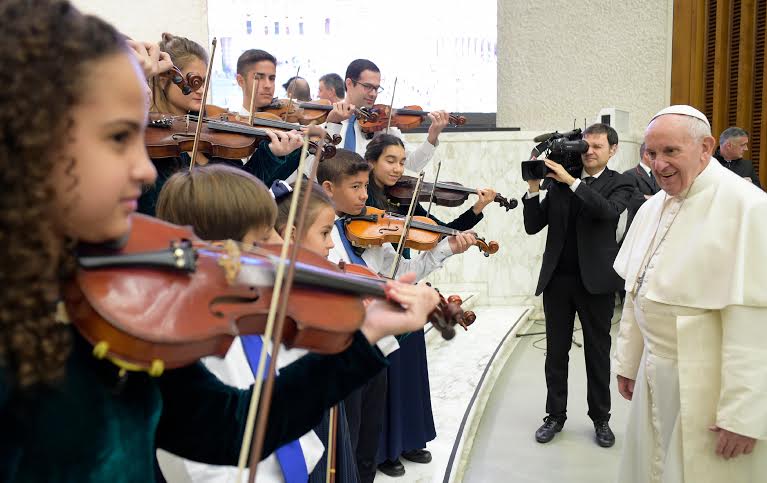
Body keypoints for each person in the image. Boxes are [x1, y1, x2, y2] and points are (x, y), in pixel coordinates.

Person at [0, 1, 443, 480]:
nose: (145, 169)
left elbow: (228, 426)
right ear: (31, 144)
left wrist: (364, 337)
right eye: (117, 139)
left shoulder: (123, 294)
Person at [613, 105, 767, 482]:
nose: (658, 165)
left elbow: (754, 327)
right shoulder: (653, 207)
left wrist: (743, 415)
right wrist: (628, 362)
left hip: (707, 385)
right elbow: (635, 293)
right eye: (651, 153)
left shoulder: (748, 207)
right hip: (653, 371)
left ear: (705, 147)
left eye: (671, 151)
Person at [316, 149, 476, 483]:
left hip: (375, 351)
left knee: (368, 441)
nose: (365, 195)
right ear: (329, 188)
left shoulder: (371, 229)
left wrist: (445, 249)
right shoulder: (320, 236)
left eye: (365, 186)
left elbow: (404, 271)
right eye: (356, 187)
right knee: (347, 440)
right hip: (343, 354)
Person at [364, 134, 495, 477]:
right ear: (371, 162)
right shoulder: (363, 204)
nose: (398, 168)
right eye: (390, 160)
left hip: (405, 286)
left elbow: (439, 230)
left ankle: (410, 438)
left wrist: (476, 211)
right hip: (379, 293)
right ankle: (387, 449)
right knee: (387, 375)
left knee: (410, 371)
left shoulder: (401, 198)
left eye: (401, 161)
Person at [522, 123, 633, 447]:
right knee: (556, 353)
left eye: (598, 146)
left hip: (596, 283)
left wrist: (572, 182)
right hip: (557, 280)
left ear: (613, 150)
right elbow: (533, 225)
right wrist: (533, 188)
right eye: (586, 145)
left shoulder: (620, 182)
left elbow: (606, 211)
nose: (590, 152)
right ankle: (555, 415)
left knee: (597, 354)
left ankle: (601, 419)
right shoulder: (560, 182)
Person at [138, 42, 305, 216]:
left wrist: (273, 154)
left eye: (204, 81)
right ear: (164, 80)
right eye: (193, 81)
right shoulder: (151, 142)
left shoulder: (209, 131)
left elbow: (241, 193)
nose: (201, 90)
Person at [323, 59, 450, 172]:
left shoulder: (380, 124)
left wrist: (432, 136)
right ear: (349, 83)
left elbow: (413, 163)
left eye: (376, 88)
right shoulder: (325, 120)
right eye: (368, 87)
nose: (373, 94)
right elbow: (315, 165)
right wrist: (332, 125)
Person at [622, 142, 661, 239]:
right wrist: (659, 198)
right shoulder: (629, 174)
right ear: (646, 154)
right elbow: (635, 201)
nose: (659, 158)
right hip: (637, 230)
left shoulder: (659, 175)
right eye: (655, 154)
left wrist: (646, 197)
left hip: (656, 229)